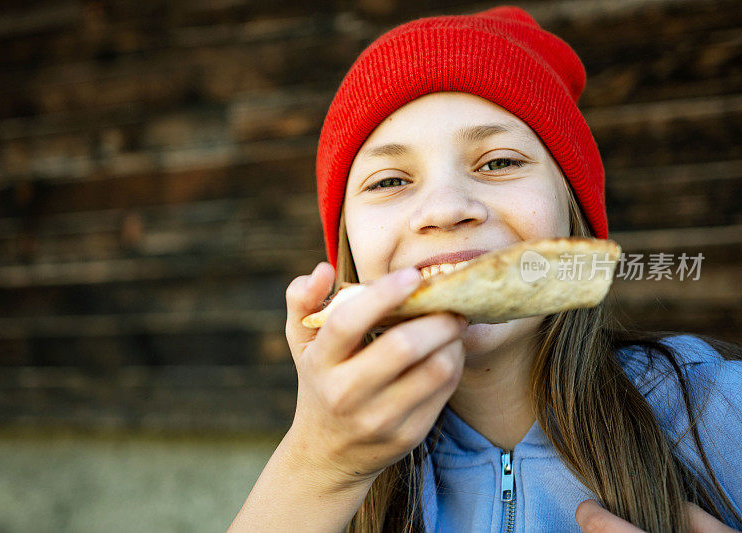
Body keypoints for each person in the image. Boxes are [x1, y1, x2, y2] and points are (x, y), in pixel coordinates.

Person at [228, 6, 742, 532]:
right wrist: (321, 465)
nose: (447, 209)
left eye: (498, 162)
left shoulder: (717, 407)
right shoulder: (323, 487)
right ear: (349, 250)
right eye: (389, 181)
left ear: (575, 216)